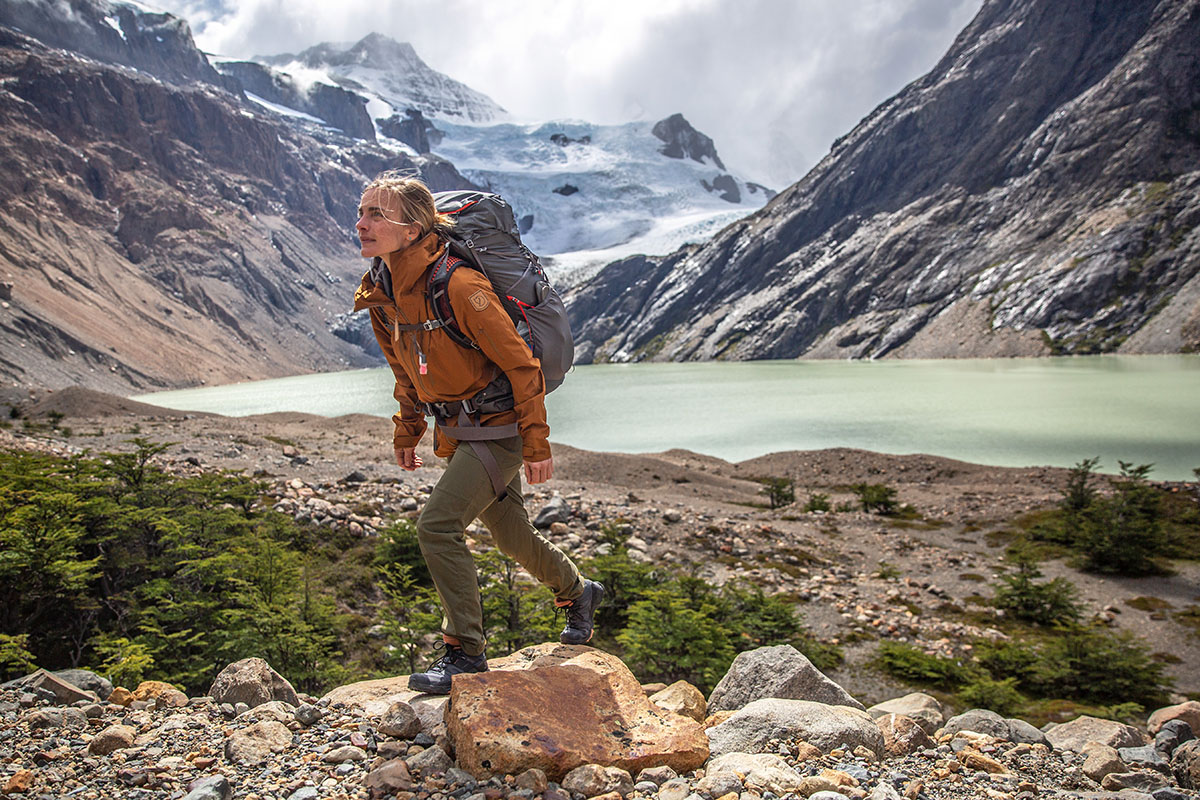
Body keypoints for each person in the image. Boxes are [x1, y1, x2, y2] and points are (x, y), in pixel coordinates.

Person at [352, 171, 604, 695]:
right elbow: (406, 369)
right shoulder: (384, 291)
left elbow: (523, 366)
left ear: (415, 227)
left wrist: (536, 444)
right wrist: (407, 430)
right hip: (461, 427)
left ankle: (464, 652)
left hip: (500, 427)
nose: (362, 223)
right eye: (363, 211)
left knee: (437, 527)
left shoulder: (461, 286)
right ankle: (578, 593)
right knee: (510, 534)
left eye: (377, 214)